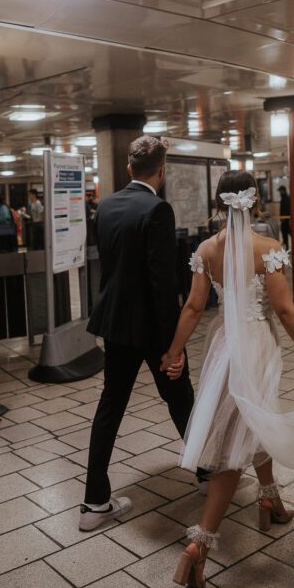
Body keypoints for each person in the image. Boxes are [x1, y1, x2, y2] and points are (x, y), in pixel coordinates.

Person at [160, 171, 294, 588]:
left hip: (223, 345)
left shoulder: (206, 249)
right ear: (256, 202)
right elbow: (284, 310)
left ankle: (269, 499)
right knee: (235, 444)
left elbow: (193, 307)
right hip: (258, 345)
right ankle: (200, 544)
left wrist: (174, 352)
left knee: (253, 418)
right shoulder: (268, 249)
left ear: (218, 203)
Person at [79, 135, 200, 530]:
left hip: (114, 322)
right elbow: (163, 284)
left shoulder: (105, 206)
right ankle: (207, 470)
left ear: (129, 168)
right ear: (162, 171)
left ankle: (94, 502)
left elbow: (111, 264)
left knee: (110, 405)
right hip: (151, 327)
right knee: (179, 396)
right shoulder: (158, 210)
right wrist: (174, 345)